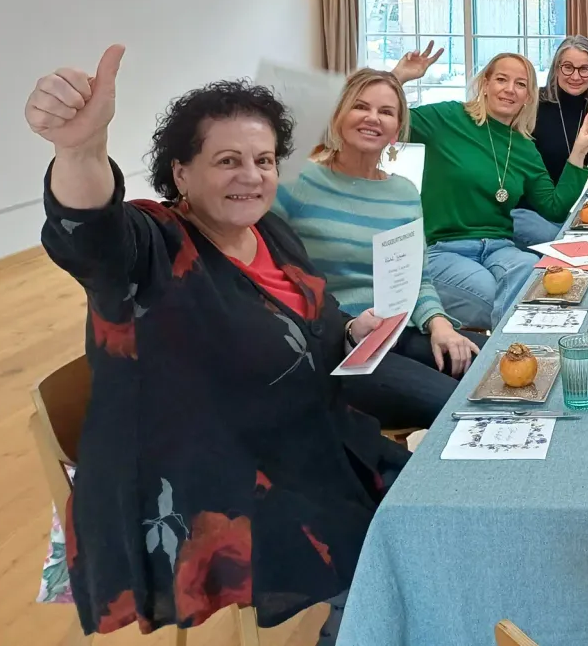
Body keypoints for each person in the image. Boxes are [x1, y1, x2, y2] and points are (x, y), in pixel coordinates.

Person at [25, 46, 406, 642]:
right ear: (181, 172)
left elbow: (312, 309)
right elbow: (91, 234)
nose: (251, 176)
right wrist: (80, 148)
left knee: (426, 506)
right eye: (227, 160)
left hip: (306, 439)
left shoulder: (269, 232)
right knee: (380, 563)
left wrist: (352, 327)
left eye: (263, 159)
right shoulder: (153, 247)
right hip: (214, 477)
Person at [273, 68, 485, 429]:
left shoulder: (403, 192)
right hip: (340, 346)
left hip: (400, 330)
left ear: (398, 127)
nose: (373, 118)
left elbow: (419, 277)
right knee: (461, 406)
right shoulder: (297, 182)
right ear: (339, 113)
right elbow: (263, 268)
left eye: (386, 112)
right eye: (360, 107)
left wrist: (439, 324)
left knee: (500, 371)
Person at [393, 49, 588, 330]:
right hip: (444, 249)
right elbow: (384, 118)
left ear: (529, 96)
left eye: (520, 84)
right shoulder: (447, 118)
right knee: (495, 298)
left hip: (499, 248)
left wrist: (579, 151)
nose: (510, 90)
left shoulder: (524, 147)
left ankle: (527, 354)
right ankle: (513, 360)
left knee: (534, 280)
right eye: (502, 80)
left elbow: (554, 206)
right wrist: (398, 78)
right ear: (485, 84)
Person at [510, 35, 588, 247]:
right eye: (568, 67)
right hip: (529, 211)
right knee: (578, 247)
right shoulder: (532, 105)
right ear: (556, 69)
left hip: (569, 207)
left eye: (584, 69)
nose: (575, 76)